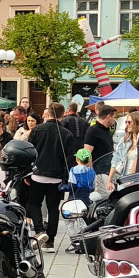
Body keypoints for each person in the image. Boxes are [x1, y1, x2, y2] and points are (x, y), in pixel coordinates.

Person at [26, 102, 79, 252]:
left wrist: (28, 172)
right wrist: (65, 176)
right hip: (57, 176)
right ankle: (51, 241)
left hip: (38, 174)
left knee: (35, 203)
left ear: (47, 113)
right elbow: (70, 158)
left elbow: (30, 151)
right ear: (63, 115)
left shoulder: (37, 130)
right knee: (53, 208)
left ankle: (39, 232)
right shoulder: (67, 133)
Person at [84, 104, 117, 200]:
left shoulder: (106, 130)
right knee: (104, 197)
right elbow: (87, 152)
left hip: (107, 170)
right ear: (108, 116)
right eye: (114, 117)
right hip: (98, 172)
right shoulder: (93, 131)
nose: (114, 119)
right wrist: (92, 174)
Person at [108, 111, 139, 189]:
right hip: (124, 178)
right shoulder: (124, 141)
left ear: (137, 122)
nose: (127, 124)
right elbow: (115, 160)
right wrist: (109, 179)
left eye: (129, 122)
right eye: (126, 122)